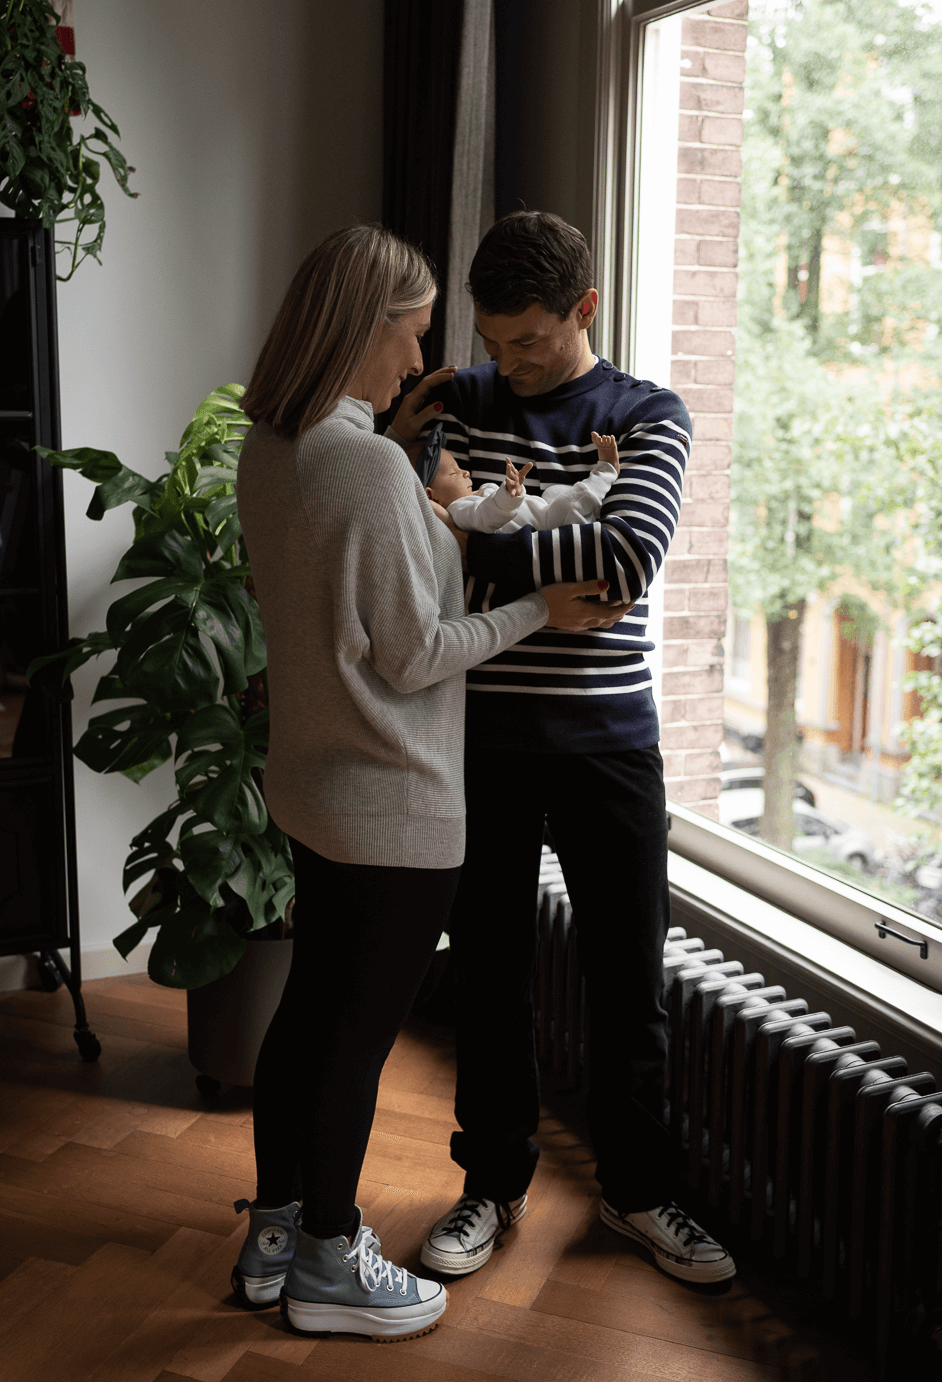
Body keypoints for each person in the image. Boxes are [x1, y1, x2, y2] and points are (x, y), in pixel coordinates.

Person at [232, 222, 621, 1342]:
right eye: (407, 334)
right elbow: (409, 653)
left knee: (308, 1017)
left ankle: (274, 1235)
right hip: (390, 800)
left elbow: (345, 599)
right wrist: (533, 611)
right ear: (364, 327)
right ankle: (327, 1263)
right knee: (355, 1038)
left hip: (309, 780)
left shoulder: (277, 443)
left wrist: (422, 491)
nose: (416, 362)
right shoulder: (359, 464)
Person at [388, 210, 737, 1287]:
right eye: (493, 340)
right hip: (479, 739)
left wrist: (472, 525)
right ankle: (488, 1189)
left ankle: (636, 1196)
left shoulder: (648, 415)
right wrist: (467, 529)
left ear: (583, 310)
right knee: (487, 977)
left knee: (626, 980)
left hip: (608, 742)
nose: (507, 364)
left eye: (528, 341)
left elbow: (627, 556)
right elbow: (412, 565)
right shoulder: (453, 400)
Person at [411, 418, 620, 533]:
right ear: (431, 497)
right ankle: (606, 471)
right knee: (569, 504)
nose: (465, 472)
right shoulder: (458, 512)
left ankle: (593, 512)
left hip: (545, 513)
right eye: (454, 473)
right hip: (548, 528)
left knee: (554, 492)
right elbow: (487, 516)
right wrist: (507, 494)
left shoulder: (471, 498)